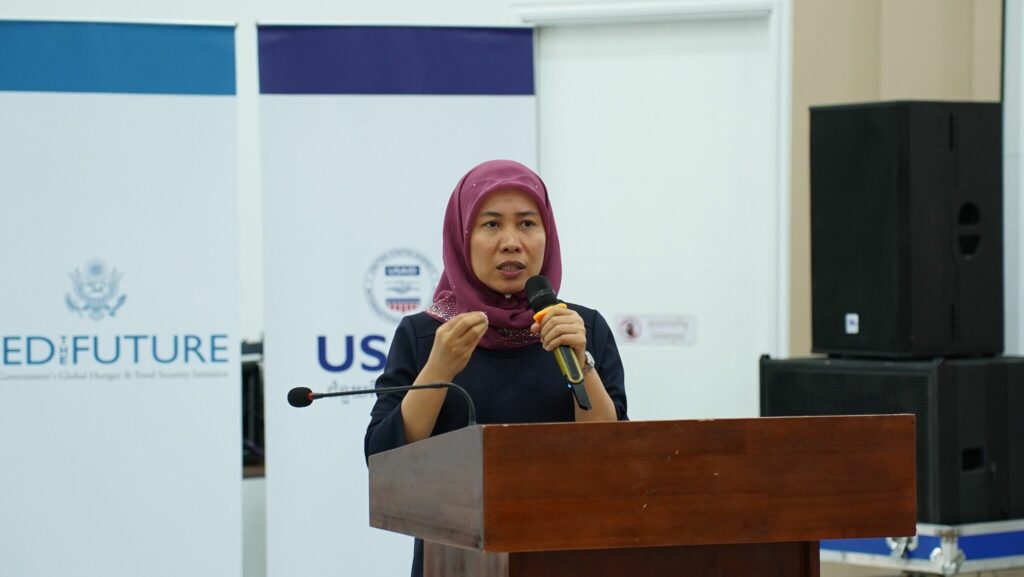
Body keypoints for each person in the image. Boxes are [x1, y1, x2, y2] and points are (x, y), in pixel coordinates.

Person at [364, 159, 628, 577]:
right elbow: (384, 461)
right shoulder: (424, 335)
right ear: (462, 237)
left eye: (527, 224)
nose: (511, 242)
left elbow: (614, 460)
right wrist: (438, 368)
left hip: (566, 554)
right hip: (453, 561)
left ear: (548, 235)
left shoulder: (582, 328)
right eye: (490, 225)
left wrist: (583, 363)